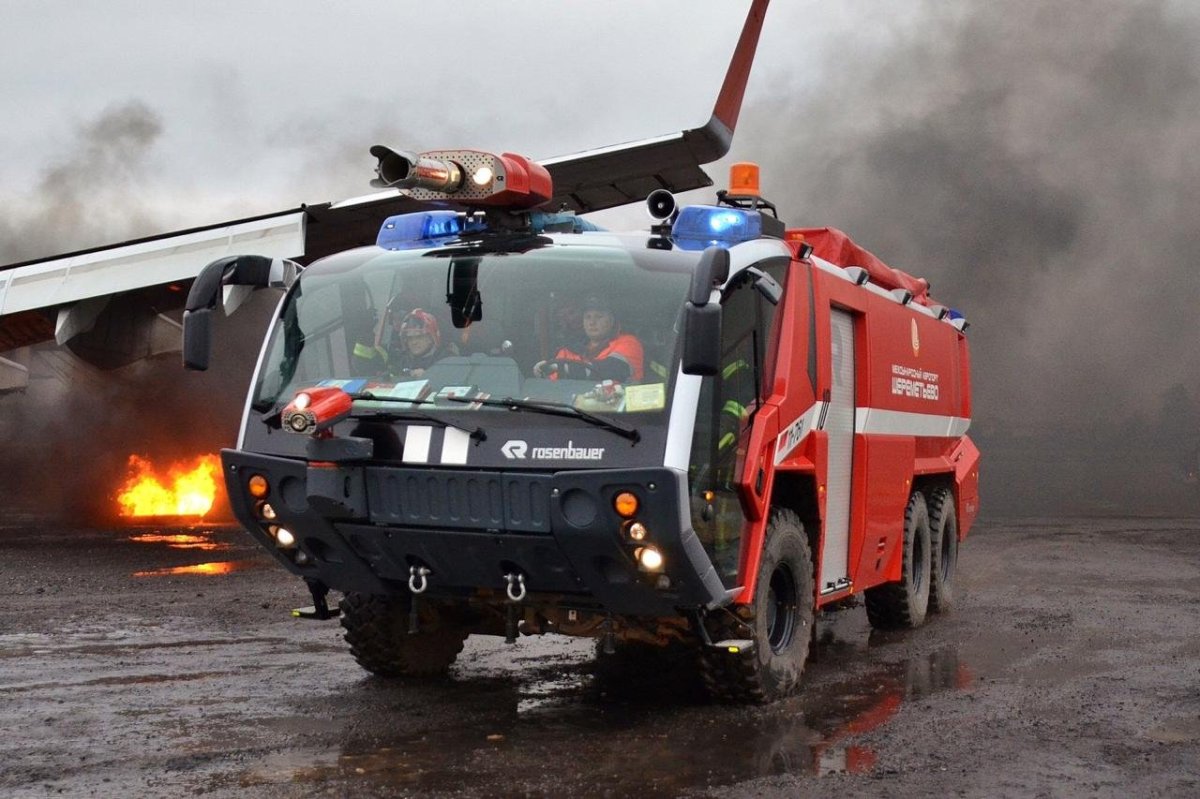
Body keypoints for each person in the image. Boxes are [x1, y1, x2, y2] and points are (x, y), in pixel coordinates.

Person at [534, 295, 644, 382]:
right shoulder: (567, 351)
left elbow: (610, 370)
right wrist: (544, 370)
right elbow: (553, 387)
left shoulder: (629, 343)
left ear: (611, 321)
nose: (592, 322)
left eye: (599, 316)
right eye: (588, 317)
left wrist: (562, 368)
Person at [391, 308, 449, 378]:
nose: (414, 342)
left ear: (431, 338)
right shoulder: (402, 360)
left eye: (419, 337)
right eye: (410, 338)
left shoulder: (446, 361)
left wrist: (428, 375)